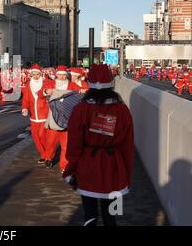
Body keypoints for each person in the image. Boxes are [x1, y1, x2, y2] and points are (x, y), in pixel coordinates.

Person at [63, 64, 134, 226]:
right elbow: (127, 146)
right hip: (114, 167)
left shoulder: (80, 109)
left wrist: (70, 170)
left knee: (90, 216)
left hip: (88, 165)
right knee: (112, 216)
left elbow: (74, 145)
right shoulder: (122, 110)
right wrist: (127, 174)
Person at [42, 65, 76, 172]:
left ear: (66, 76)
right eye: (59, 75)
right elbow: (40, 93)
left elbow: (80, 93)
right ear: (56, 75)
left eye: (63, 75)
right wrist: (46, 91)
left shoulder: (72, 85)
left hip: (66, 118)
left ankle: (64, 165)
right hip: (53, 117)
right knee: (51, 142)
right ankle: (48, 157)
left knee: (66, 144)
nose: (61, 77)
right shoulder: (50, 83)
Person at [22, 64, 50, 164]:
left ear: (40, 74)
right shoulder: (28, 84)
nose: (35, 76)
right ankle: (43, 154)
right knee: (35, 137)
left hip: (44, 115)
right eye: (34, 74)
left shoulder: (46, 83)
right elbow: (25, 99)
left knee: (43, 136)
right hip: (33, 116)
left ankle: (47, 156)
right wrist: (25, 108)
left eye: (37, 74)